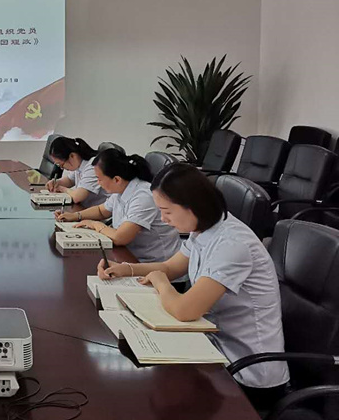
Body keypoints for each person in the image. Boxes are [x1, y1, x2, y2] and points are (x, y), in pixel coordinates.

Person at [97, 163, 289, 404]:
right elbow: (170, 267)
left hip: (247, 371)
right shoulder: (204, 228)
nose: (163, 219)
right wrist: (126, 269)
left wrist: (160, 282)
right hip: (212, 343)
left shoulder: (232, 245)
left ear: (193, 205)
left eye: (166, 211)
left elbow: (184, 310)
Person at [55, 148, 181, 265]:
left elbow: (120, 237)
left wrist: (95, 225)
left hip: (156, 265)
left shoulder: (143, 197)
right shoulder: (122, 188)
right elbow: (101, 211)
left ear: (116, 179)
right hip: (131, 256)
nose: (98, 183)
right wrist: (75, 216)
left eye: (99, 179)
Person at [45, 137, 107, 207]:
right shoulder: (79, 164)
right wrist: (56, 182)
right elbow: (70, 180)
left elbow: (77, 197)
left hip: (100, 211)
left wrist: (61, 189)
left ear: (72, 156)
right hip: (87, 208)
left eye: (61, 164)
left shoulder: (93, 166)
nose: (62, 168)